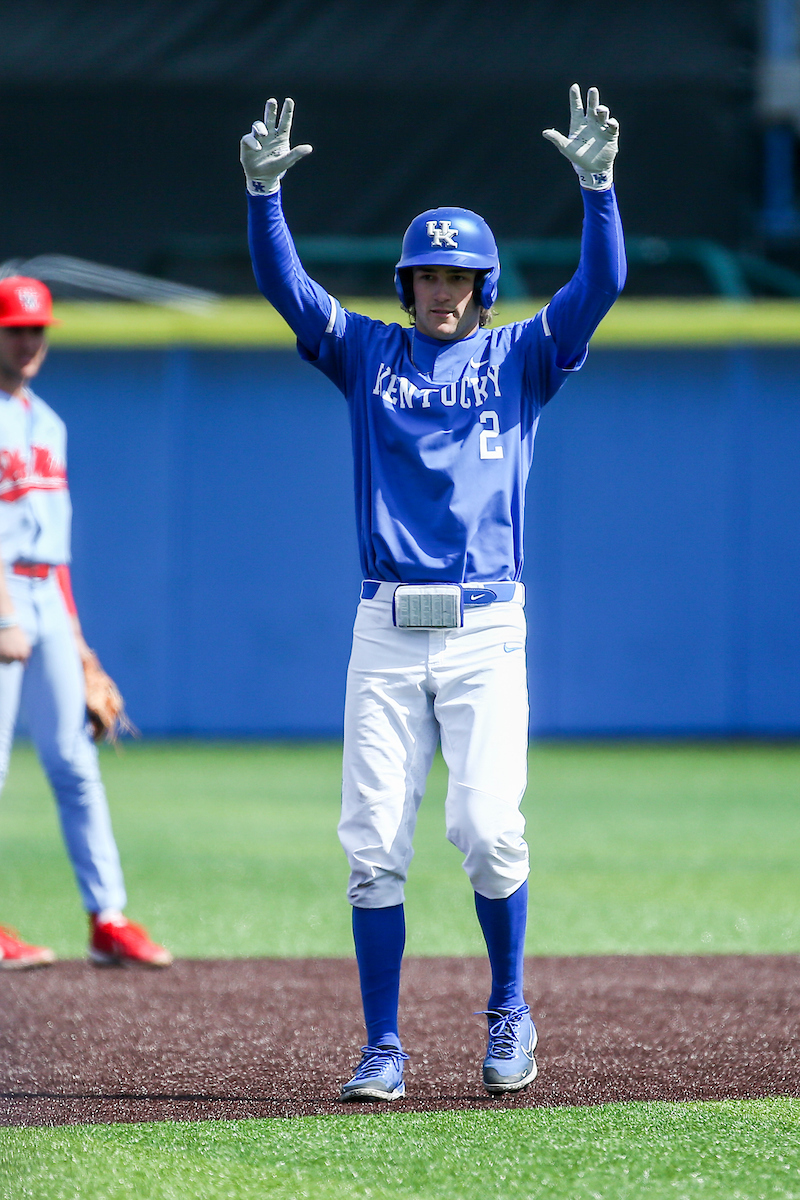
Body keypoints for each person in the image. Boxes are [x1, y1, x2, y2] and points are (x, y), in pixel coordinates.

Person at [240, 85, 625, 1100]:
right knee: (372, 846)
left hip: (485, 628)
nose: (439, 288)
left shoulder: (520, 358)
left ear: (483, 284)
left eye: (457, 273)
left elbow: (600, 284)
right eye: (425, 272)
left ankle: (507, 1008)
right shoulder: (369, 353)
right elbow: (288, 293)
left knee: (488, 829)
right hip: (384, 624)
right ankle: (382, 1046)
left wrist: (597, 189)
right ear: (405, 282)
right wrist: (261, 199)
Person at [0, 275, 172, 969]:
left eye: (37, 329)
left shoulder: (50, 422)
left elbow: (59, 548)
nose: (30, 340)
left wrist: (76, 638)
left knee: (73, 762)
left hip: (45, 596)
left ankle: (107, 918)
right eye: (16, 327)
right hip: (5, 594)